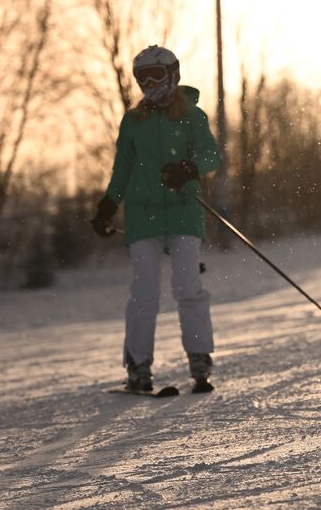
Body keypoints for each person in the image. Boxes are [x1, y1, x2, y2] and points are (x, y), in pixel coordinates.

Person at [91, 45, 224, 393]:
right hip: (143, 214)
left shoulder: (193, 117)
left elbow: (212, 156)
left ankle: (199, 358)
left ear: (172, 75)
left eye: (156, 76)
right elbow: (122, 170)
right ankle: (138, 366)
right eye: (142, 78)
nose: (149, 84)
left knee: (186, 286)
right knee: (144, 293)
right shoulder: (134, 122)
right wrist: (108, 204)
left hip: (184, 211)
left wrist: (189, 168)